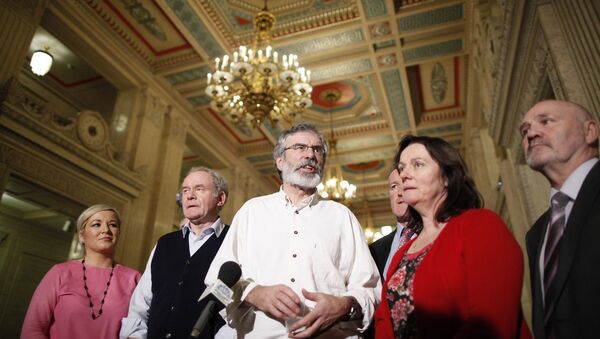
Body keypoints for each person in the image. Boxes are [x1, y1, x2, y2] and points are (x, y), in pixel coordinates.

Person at [205, 123, 380, 338]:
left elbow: (371, 289)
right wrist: (253, 293)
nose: (311, 155)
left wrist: (344, 305)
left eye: (317, 150)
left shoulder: (342, 216)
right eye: (300, 147)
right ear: (280, 161)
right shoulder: (252, 211)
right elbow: (215, 281)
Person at [374, 135, 530, 338]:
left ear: (446, 177)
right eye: (402, 168)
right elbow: (383, 322)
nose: (404, 175)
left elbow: (491, 323)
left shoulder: (480, 225)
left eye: (418, 164)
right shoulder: (401, 253)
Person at [519, 99, 600, 339]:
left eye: (546, 121)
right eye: (525, 131)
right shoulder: (536, 234)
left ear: (590, 131)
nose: (531, 133)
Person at [120, 167, 230, 339]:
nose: (189, 195)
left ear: (221, 198)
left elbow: (235, 314)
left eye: (199, 189)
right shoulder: (165, 243)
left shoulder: (234, 242)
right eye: (186, 190)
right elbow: (141, 302)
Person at [21, 204, 141, 339]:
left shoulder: (133, 278)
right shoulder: (60, 272)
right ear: (82, 235)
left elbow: (140, 330)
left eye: (113, 225)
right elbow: (32, 330)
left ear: (119, 233)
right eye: (96, 224)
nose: (105, 230)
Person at [369, 168, 416, 280]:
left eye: (404, 183)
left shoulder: (436, 236)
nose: (399, 193)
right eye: (394, 187)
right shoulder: (374, 250)